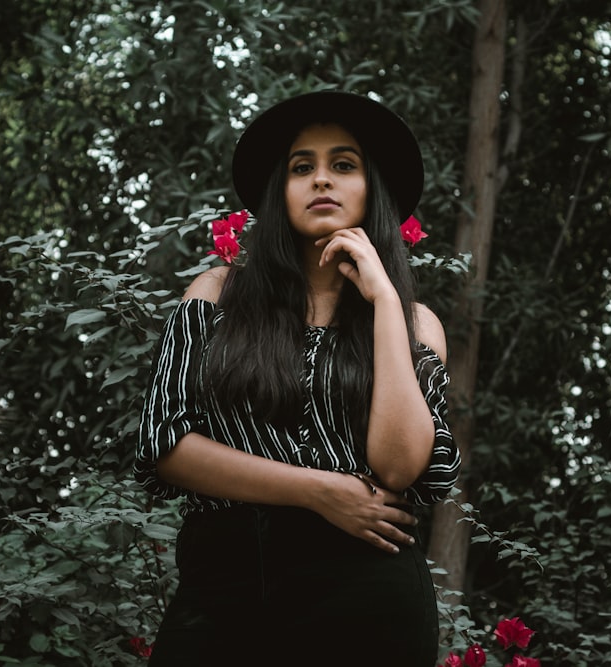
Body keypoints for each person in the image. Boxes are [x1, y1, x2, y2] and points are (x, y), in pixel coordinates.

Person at [134, 90, 461, 667]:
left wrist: (385, 299)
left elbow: (400, 466)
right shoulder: (217, 293)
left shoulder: (414, 323)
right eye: (301, 167)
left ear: (371, 188)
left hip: (368, 594)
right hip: (226, 585)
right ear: (279, 191)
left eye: (343, 164)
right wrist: (320, 491)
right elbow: (165, 444)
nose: (321, 181)